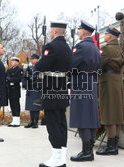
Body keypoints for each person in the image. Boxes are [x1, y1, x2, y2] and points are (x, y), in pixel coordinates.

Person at [35, 21, 72, 167]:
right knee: (61, 123)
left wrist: (39, 63)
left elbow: (40, 66)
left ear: (56, 31)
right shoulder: (68, 48)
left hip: (51, 89)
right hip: (62, 88)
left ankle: (56, 158)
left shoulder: (51, 46)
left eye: (51, 30)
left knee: (53, 124)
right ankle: (61, 157)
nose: (50, 32)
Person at [69, 20, 101, 162]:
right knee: (90, 116)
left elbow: (71, 64)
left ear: (84, 32)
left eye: (79, 29)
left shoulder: (81, 46)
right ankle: (89, 150)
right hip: (92, 82)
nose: (78, 32)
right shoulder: (94, 47)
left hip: (81, 82)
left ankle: (86, 152)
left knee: (83, 116)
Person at [96, 25, 124, 155]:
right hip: (117, 82)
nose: (104, 36)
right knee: (117, 115)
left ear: (111, 36)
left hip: (107, 83)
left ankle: (111, 147)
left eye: (106, 34)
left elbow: (97, 64)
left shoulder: (106, 49)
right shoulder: (119, 48)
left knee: (108, 115)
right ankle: (114, 145)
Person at [23, 54, 42, 129]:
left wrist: (31, 78)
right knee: (31, 106)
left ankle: (36, 122)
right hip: (30, 88)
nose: (31, 60)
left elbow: (39, 77)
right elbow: (24, 77)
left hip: (37, 88)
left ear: (37, 59)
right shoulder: (29, 68)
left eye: (33, 58)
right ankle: (31, 121)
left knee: (36, 106)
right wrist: (25, 84)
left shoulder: (40, 68)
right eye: (31, 58)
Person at [6, 57, 23, 127]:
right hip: (10, 89)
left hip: (15, 89)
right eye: (12, 61)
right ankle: (14, 120)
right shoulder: (9, 70)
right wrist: (10, 79)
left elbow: (19, 79)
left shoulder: (19, 70)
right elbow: (6, 77)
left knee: (16, 105)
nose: (12, 62)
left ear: (17, 62)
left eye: (14, 61)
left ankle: (17, 121)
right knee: (12, 105)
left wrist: (11, 79)